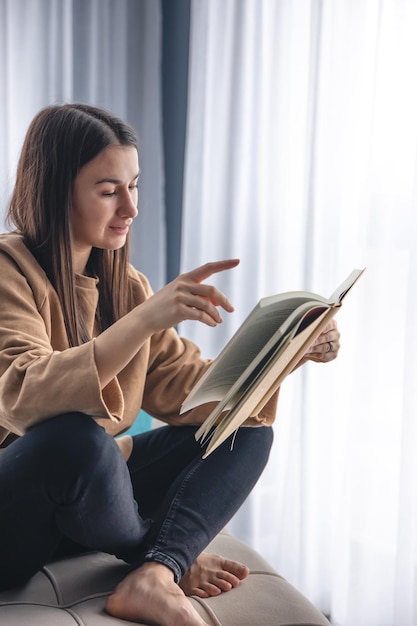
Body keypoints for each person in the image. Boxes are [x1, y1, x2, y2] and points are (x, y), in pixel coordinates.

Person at [0, 103, 340, 626]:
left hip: (81, 510)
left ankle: (155, 573)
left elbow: (200, 396)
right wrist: (143, 320)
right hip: (15, 514)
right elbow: (25, 397)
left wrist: (291, 350)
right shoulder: (7, 268)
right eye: (109, 190)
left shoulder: (123, 284)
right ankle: (163, 553)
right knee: (75, 439)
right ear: (55, 189)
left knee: (245, 430)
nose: (130, 207)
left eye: (134, 186)